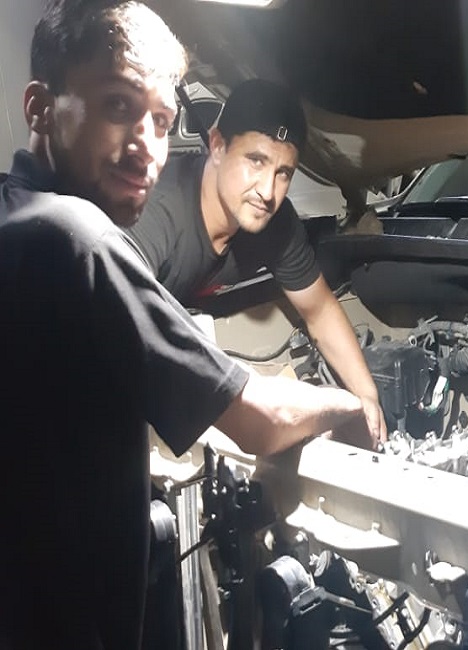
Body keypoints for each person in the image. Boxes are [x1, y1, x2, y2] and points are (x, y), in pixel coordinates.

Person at [0, 2, 377, 648]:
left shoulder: (18, 215)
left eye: (161, 120)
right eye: (118, 106)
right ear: (39, 108)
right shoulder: (84, 239)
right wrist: (349, 408)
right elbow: (259, 419)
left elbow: (317, 308)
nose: (144, 145)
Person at [127, 79, 388, 441]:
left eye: (284, 173)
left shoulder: (276, 222)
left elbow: (318, 310)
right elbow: (115, 334)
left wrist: (367, 397)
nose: (268, 192)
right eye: (256, 161)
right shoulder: (154, 214)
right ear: (218, 145)